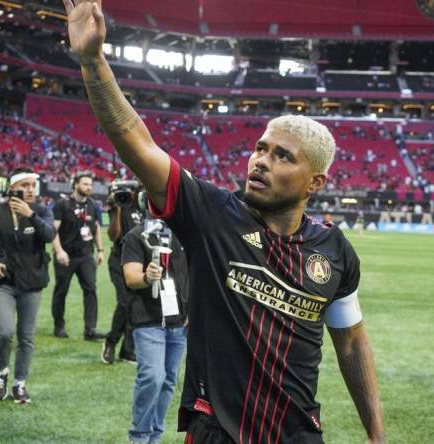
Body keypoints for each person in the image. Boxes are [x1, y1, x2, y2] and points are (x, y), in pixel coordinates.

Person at [64, 3, 384, 441]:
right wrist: (92, 60)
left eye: (281, 156)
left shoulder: (333, 250)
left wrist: (377, 434)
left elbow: (350, 342)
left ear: (315, 182)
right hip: (218, 430)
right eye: (260, 148)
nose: (260, 161)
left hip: (299, 434)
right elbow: (134, 139)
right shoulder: (212, 215)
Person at [0, 168, 55, 404]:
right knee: (5, 332)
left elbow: (50, 235)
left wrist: (30, 215)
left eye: (33, 185)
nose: (31, 189)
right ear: (12, 189)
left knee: (26, 337)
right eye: (26, 185)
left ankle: (20, 384)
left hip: (32, 284)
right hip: (4, 284)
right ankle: (1, 374)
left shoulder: (41, 211)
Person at [121, 217, 188, 444]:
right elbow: (131, 278)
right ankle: (139, 437)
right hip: (148, 318)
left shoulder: (184, 234)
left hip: (179, 322)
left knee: (169, 380)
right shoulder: (136, 236)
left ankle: (154, 437)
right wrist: (147, 277)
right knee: (153, 376)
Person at [51, 172, 106, 340]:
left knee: (91, 290)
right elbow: (53, 230)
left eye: (90, 184)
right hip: (66, 256)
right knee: (61, 290)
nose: (89, 187)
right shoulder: (62, 204)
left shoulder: (92, 204)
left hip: (85, 255)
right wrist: (59, 251)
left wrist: (101, 250)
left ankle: (90, 329)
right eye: (85, 184)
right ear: (75, 185)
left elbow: (95, 228)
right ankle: (58, 326)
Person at [102, 182, 145, 364]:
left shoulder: (148, 208)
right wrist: (118, 209)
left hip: (139, 263)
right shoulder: (121, 203)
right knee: (125, 302)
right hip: (119, 261)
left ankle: (127, 350)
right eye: (139, 189)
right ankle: (110, 342)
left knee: (135, 305)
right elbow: (113, 235)